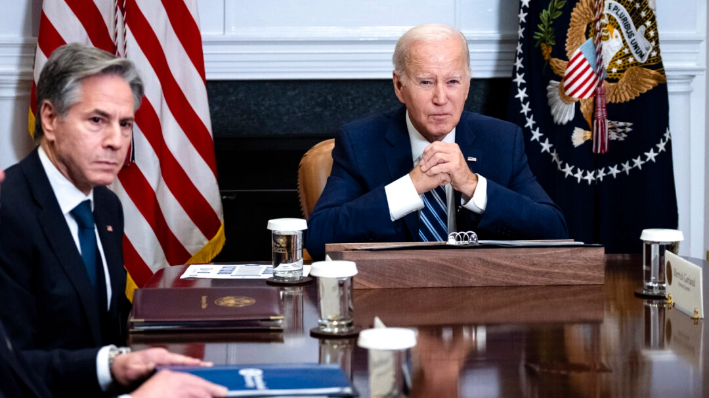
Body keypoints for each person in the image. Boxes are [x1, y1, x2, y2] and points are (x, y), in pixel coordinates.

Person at [306, 24, 568, 260]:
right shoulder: (359, 141)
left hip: (479, 302)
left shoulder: (501, 140)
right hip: (390, 301)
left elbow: (555, 232)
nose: (441, 98)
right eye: (426, 82)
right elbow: (319, 239)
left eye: (453, 81)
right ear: (399, 86)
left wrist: (472, 186)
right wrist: (410, 187)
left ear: (467, 86)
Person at [0, 42, 151, 396]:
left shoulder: (107, 206)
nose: (116, 141)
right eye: (97, 120)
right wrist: (112, 364)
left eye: (125, 123)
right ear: (50, 119)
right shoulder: (8, 211)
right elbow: (12, 368)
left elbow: (103, 322)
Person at [0, 169, 227, 398]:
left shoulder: (106, 203)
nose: (116, 142)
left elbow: (16, 368)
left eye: (125, 129)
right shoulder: (12, 206)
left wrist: (113, 365)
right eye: (97, 128)